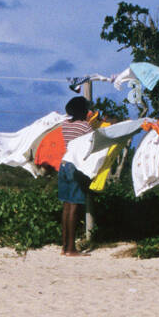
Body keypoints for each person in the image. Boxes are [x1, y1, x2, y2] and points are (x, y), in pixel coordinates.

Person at [57, 95, 95, 255]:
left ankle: (64, 246)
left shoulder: (65, 124)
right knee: (74, 206)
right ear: (84, 111)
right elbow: (93, 142)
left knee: (66, 206)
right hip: (75, 166)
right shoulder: (86, 127)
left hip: (64, 164)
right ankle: (71, 248)